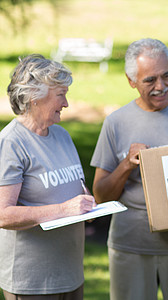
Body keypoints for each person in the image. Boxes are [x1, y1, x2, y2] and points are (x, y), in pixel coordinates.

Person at [90, 38, 168, 300]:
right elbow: (101, 197)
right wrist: (127, 164)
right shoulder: (115, 123)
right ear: (131, 80)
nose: (161, 86)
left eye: (166, 76)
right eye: (150, 80)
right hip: (131, 245)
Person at [0, 54, 95, 299]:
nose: (66, 103)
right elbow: (4, 214)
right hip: (32, 282)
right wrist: (65, 208)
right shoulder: (12, 143)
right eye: (60, 94)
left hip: (71, 274)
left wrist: (86, 204)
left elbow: (72, 188)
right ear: (34, 96)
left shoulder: (62, 135)